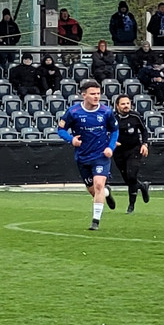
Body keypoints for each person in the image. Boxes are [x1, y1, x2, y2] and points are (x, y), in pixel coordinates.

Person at [56, 79, 119, 231]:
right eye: (92, 94)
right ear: (84, 95)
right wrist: (71, 139)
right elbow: (60, 129)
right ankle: (106, 193)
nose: (96, 96)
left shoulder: (106, 111)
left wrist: (110, 147)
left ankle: (95, 222)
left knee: (98, 184)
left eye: (98, 93)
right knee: (94, 190)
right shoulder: (73, 112)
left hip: (101, 155)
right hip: (83, 156)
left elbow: (115, 130)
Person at [112, 94, 151, 214]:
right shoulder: (112, 117)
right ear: (117, 106)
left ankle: (131, 205)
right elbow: (105, 131)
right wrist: (111, 142)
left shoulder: (135, 116)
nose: (126, 106)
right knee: (127, 179)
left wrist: (144, 144)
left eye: (128, 103)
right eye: (123, 104)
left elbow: (144, 130)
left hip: (134, 149)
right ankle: (142, 186)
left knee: (132, 175)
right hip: (118, 151)